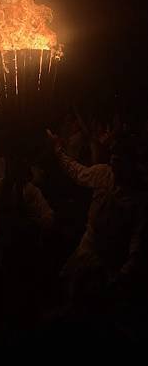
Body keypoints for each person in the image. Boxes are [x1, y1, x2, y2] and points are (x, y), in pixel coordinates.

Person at [47, 129, 147, 303]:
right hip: (89, 245)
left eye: (119, 158)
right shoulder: (103, 173)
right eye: (113, 156)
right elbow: (77, 172)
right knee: (67, 288)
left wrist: (128, 268)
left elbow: (138, 236)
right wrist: (58, 150)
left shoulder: (139, 197)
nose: (113, 160)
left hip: (112, 259)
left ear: (131, 163)